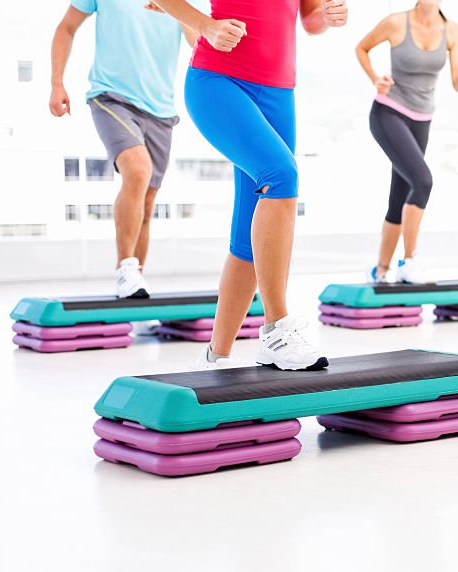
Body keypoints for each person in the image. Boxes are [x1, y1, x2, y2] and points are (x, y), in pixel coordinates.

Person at [147, 0, 348, 371]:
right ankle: (276, 329)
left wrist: (328, 17)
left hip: (278, 94)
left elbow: (310, 20)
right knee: (282, 176)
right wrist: (205, 26)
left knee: (248, 233)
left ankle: (215, 356)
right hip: (218, 82)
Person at [50, 0, 201, 312]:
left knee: (146, 202)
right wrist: (56, 83)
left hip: (160, 108)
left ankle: (135, 285)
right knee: (138, 170)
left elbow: (197, 41)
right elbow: (66, 27)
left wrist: (180, 10)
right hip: (110, 97)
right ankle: (125, 267)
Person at [356, 0, 458, 284]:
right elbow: (361, 48)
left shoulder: (452, 30)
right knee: (422, 181)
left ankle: (380, 270)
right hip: (388, 113)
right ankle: (409, 260)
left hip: (422, 119)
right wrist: (376, 78)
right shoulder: (397, 22)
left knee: (400, 193)